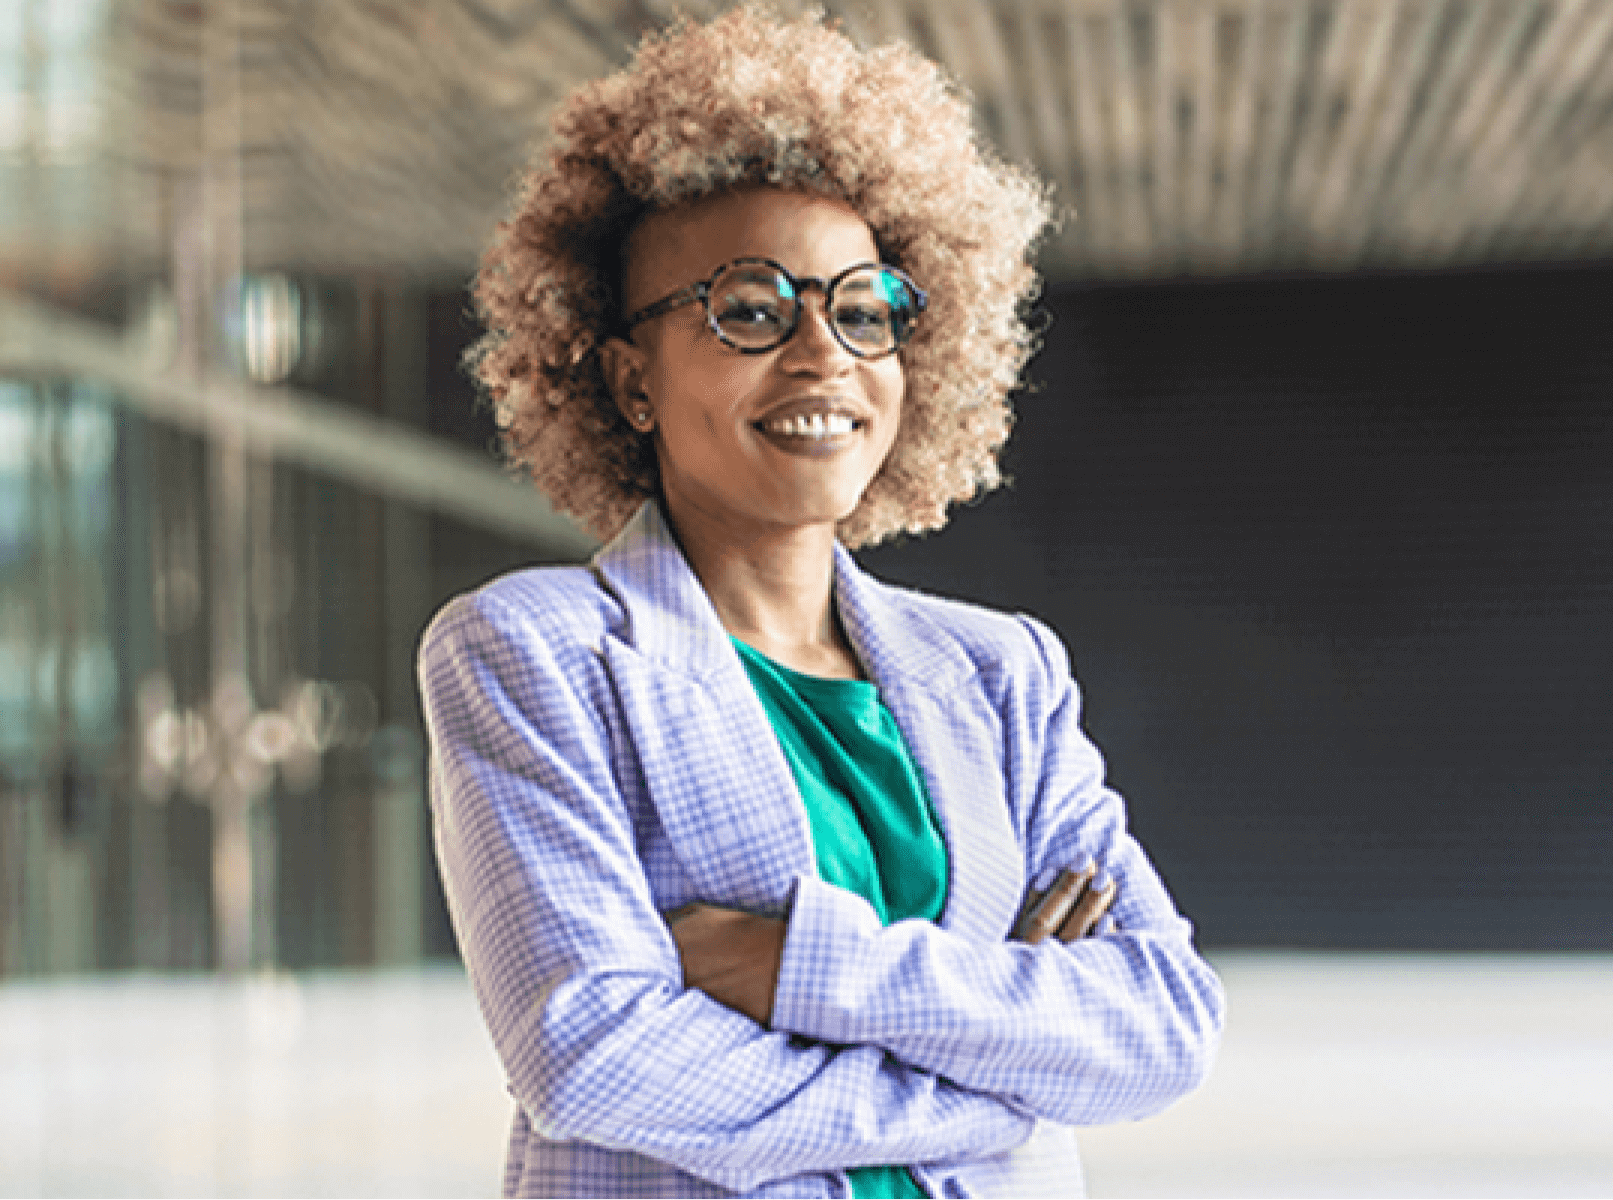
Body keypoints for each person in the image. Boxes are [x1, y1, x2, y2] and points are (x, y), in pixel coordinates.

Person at [419, 10, 1224, 1198]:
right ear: (630, 377)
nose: (822, 352)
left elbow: (1160, 1022)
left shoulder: (1003, 675)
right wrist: (998, 1083)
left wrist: (804, 967)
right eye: (749, 307)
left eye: (862, 308)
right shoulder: (531, 654)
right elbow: (592, 1054)